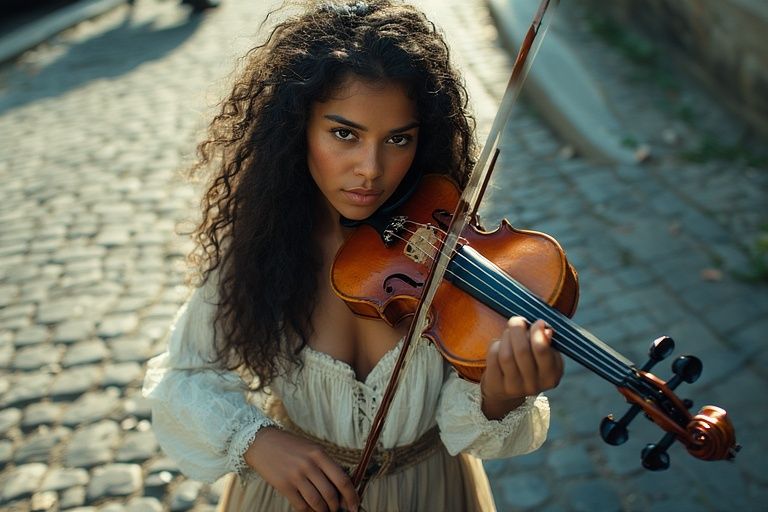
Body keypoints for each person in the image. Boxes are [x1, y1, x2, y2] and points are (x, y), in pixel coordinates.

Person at [142, 1, 564, 511]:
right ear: (299, 130)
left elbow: (466, 420)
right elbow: (181, 379)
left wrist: (500, 396)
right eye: (344, 134)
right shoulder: (262, 248)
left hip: (430, 494)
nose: (371, 169)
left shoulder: (448, 253)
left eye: (398, 140)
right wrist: (255, 440)